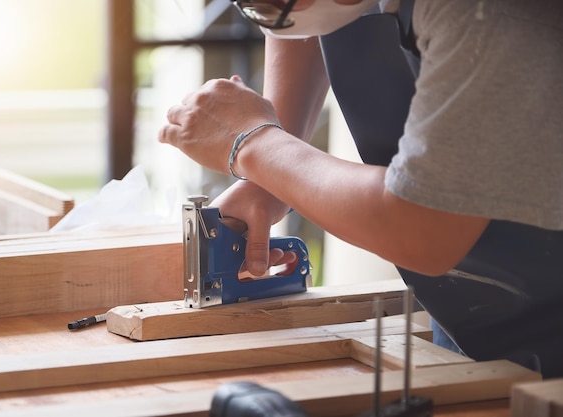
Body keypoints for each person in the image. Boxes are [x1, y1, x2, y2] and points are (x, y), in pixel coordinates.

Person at [159, 0, 563, 378]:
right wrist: (271, 174)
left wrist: (258, 146)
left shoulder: (484, 13)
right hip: (472, 319)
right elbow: (303, 16)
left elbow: (425, 226)